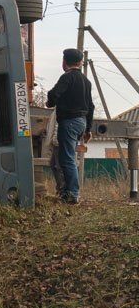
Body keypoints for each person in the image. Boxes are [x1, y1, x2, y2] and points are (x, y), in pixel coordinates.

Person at [46, 48, 94, 203]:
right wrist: (87, 129)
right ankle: (67, 191)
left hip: (69, 122)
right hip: (81, 122)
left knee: (66, 159)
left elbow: (54, 95)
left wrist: (50, 102)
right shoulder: (86, 81)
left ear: (64, 62)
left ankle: (72, 194)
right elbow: (91, 106)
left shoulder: (66, 78)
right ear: (80, 63)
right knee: (66, 158)